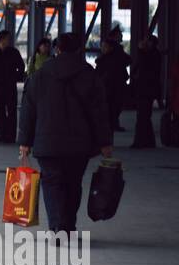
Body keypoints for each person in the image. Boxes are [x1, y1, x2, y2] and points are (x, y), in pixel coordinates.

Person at [17, 31, 113, 234]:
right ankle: (68, 225)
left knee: (51, 183)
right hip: (79, 144)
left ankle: (56, 226)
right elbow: (100, 112)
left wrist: (25, 142)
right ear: (78, 50)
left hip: (47, 144)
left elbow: (27, 110)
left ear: (57, 49)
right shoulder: (90, 75)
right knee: (73, 184)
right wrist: (105, 142)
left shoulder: (39, 76)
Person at [129, 34, 162, 148]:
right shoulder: (155, 54)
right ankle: (148, 141)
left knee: (142, 116)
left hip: (145, 89)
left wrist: (140, 50)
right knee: (145, 116)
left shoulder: (150, 55)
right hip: (149, 89)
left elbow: (142, 66)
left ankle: (141, 141)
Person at [93, 37, 130, 132]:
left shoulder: (105, 60)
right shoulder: (114, 59)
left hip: (110, 89)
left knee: (111, 111)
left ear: (111, 47)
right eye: (102, 46)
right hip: (112, 89)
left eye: (105, 46)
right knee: (112, 111)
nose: (102, 48)